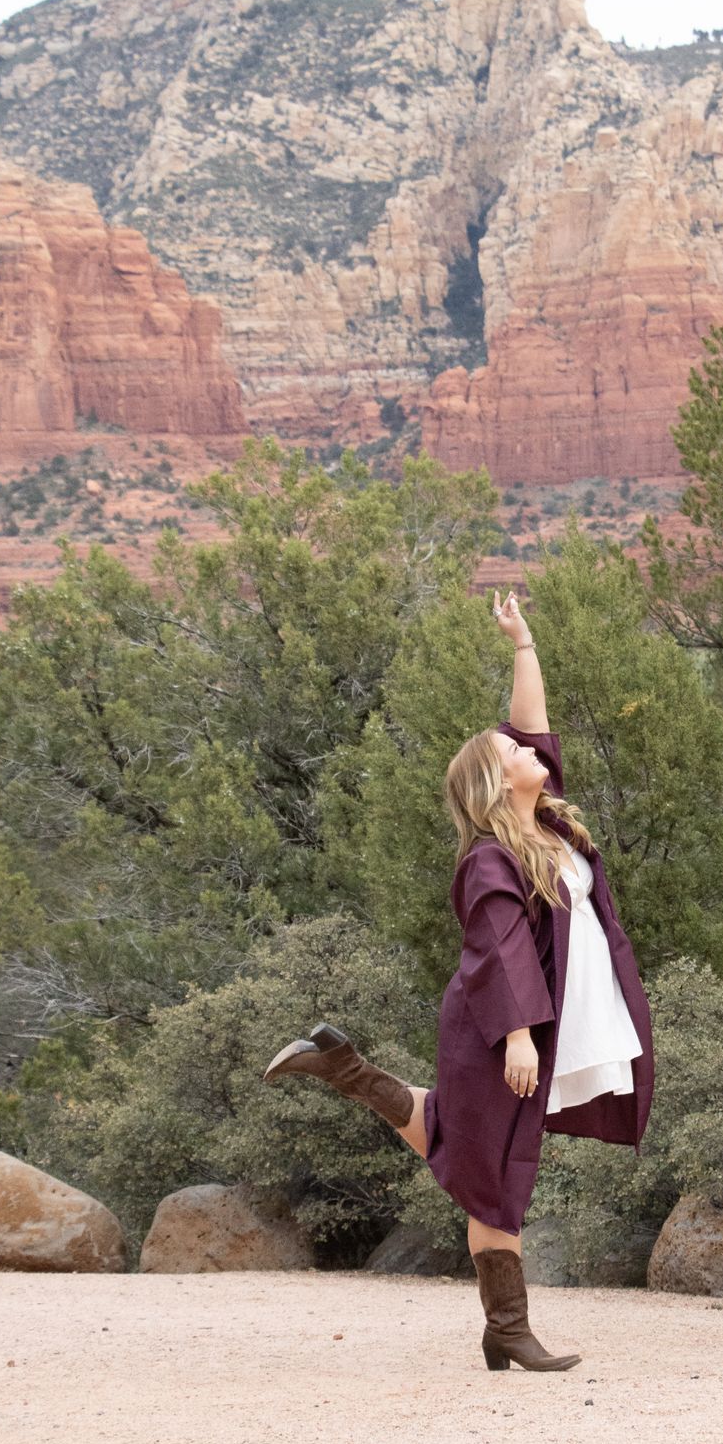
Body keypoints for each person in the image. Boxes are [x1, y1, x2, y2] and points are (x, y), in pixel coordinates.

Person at [262, 587, 655, 1372]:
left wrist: (523, 645)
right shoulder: (490, 859)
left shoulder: (547, 826)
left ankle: (345, 1069)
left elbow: (531, 724)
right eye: (513, 753)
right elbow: (500, 950)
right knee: (493, 1175)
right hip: (500, 1028)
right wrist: (517, 1036)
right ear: (498, 783)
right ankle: (507, 1329)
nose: (530, 750)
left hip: (542, 1023)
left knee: (472, 1149)